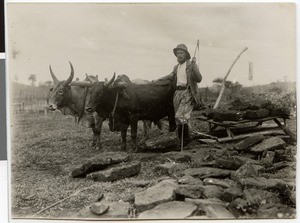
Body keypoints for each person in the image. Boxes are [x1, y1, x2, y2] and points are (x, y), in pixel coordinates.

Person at [170, 43, 202, 145]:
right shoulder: (176, 67)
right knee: (182, 119)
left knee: (180, 116)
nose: (179, 55)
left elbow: (199, 79)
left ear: (186, 54)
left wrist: (194, 67)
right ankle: (187, 138)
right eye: (178, 53)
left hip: (187, 92)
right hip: (177, 93)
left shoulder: (190, 65)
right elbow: (170, 77)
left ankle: (184, 141)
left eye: (181, 53)